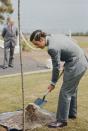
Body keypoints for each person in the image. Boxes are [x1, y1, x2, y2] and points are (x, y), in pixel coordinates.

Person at [30, 30, 88, 128]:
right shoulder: (55, 36)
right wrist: (69, 60)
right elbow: (73, 44)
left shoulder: (51, 48)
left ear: (41, 39)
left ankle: (61, 121)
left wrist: (53, 83)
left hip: (76, 64)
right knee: (72, 90)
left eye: (36, 44)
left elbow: (56, 67)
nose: (37, 46)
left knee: (65, 92)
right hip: (82, 60)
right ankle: (71, 114)